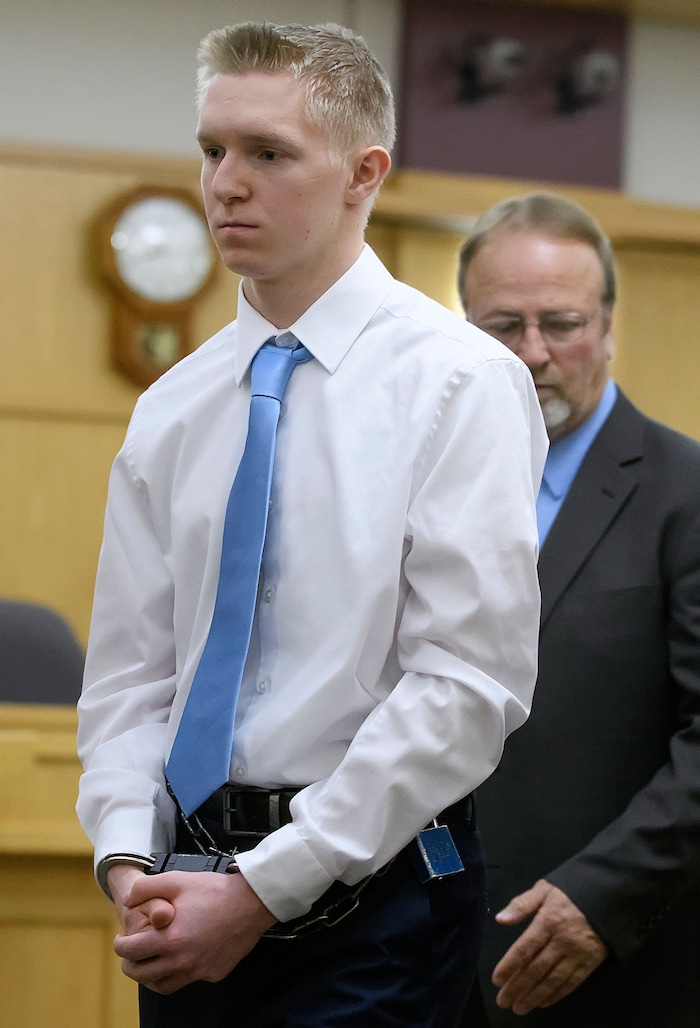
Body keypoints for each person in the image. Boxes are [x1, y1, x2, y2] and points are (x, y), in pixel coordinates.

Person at [76, 22, 547, 1028]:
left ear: (362, 173)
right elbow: (130, 675)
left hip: (376, 901)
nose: (224, 184)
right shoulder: (174, 405)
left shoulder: (459, 382)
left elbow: (467, 684)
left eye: (269, 153)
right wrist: (127, 856)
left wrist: (260, 888)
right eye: (212, 150)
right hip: (183, 889)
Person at [457, 192, 700, 1027]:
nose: (534, 354)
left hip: (607, 963)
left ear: (607, 326)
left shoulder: (686, 493)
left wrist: (600, 897)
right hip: (421, 960)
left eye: (561, 323)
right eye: (503, 327)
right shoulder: (424, 487)